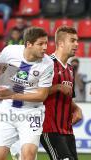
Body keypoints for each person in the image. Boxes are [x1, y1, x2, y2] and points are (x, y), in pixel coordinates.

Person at [0, 27, 54, 160]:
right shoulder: (10, 51)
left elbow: (42, 95)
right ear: (28, 44)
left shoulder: (47, 63)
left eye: (46, 43)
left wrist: (11, 95)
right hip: (7, 109)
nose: (45, 47)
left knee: (28, 156)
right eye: (40, 44)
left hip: (31, 113)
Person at [40, 26, 83, 160]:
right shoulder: (46, 64)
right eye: (72, 40)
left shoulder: (70, 69)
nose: (76, 44)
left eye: (77, 41)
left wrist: (77, 109)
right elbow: (35, 92)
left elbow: (68, 98)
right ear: (60, 43)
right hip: (49, 128)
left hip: (67, 130)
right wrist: (57, 87)